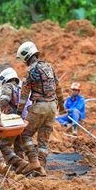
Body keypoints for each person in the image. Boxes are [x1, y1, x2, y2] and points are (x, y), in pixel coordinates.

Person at [16, 41, 65, 175]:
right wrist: (62, 106)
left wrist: (18, 112)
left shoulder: (30, 70)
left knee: (24, 135)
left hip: (40, 106)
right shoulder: (49, 67)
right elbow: (58, 87)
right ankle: (41, 168)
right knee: (43, 140)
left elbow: (24, 94)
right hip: (52, 107)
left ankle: (33, 162)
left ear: (26, 56)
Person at [0, 67, 29, 174]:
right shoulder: (20, 88)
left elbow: (4, 100)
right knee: (18, 146)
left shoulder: (8, 86)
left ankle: (20, 163)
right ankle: (22, 170)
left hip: (10, 120)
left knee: (2, 145)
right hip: (19, 120)